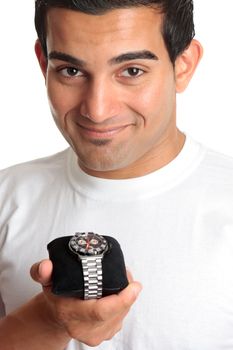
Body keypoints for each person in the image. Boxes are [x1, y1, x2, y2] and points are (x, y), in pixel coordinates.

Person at [1, 0, 233, 349]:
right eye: (71, 71)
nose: (97, 110)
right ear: (43, 62)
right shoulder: (6, 196)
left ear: (183, 66)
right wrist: (48, 321)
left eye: (132, 71)